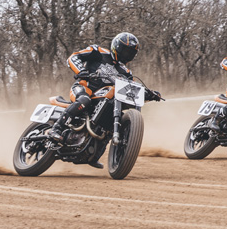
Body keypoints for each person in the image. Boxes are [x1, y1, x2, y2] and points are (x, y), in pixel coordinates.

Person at [47, 32, 161, 167]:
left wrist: (150, 94)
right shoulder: (98, 51)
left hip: (105, 98)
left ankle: (94, 154)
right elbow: (74, 57)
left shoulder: (126, 73)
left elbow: (132, 88)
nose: (126, 55)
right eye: (124, 50)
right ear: (116, 46)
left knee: (112, 122)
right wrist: (80, 71)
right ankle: (57, 129)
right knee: (84, 100)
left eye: (130, 53)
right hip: (84, 88)